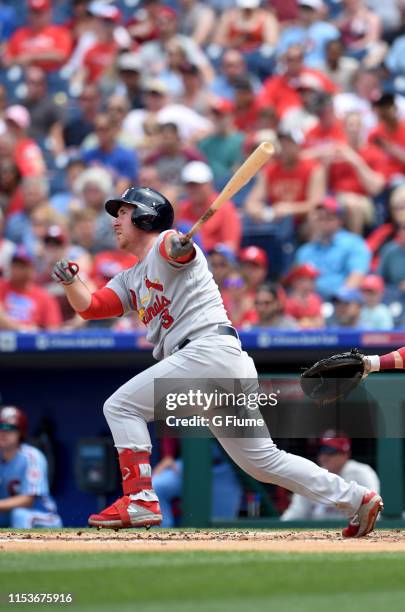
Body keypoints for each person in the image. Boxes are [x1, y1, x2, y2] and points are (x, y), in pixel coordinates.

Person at [51, 185, 382, 536]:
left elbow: (178, 250)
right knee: (261, 462)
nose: (115, 221)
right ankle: (357, 498)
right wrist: (72, 281)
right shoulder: (131, 277)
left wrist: (181, 247)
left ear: (145, 215)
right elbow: (91, 307)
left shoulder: (167, 243)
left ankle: (140, 498)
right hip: (217, 361)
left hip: (206, 351)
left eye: (122, 212)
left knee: (121, 407)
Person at [281, 432, 380, 521]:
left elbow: (373, 509)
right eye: (321, 450)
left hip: (354, 534)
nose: (324, 456)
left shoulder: (361, 473)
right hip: (319, 536)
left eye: (330, 451)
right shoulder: (313, 475)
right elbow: (295, 513)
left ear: (345, 454)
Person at [295, 197, 371, 299]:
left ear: (339, 221)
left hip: (342, 302)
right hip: (313, 303)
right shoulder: (304, 251)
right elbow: (300, 284)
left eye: (328, 218)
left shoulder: (354, 244)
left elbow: (357, 276)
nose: (323, 223)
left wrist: (340, 300)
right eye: (319, 218)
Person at [0, 405, 62, 528]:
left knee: (20, 515)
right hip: (7, 516)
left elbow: (28, 501)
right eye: (0, 428)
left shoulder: (32, 457)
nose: (3, 433)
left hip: (41, 515)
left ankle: (22, 547)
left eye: (10, 428)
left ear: (20, 433)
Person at [176, 161, 241, 253]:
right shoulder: (182, 208)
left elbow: (230, 247)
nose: (194, 189)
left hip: (215, 263)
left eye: (198, 185)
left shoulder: (224, 207)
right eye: (190, 185)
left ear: (209, 184)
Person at [0, 245, 62, 331]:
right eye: (14, 264)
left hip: (32, 343)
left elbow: (53, 330)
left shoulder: (44, 296)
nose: (16, 268)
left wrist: (36, 333)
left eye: (22, 265)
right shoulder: (1, 286)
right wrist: (23, 329)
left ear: (32, 269)